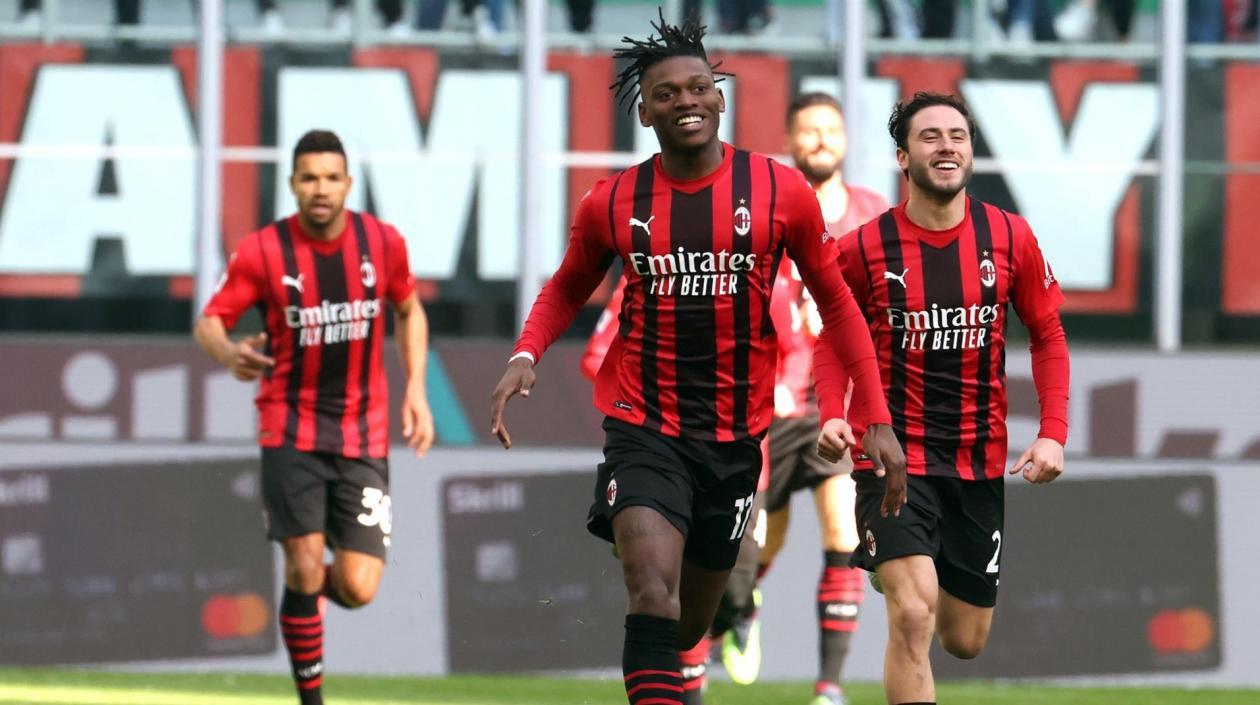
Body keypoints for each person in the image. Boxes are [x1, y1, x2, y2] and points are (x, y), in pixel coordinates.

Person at [489, 11, 904, 705]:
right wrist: (527, 349)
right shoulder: (613, 201)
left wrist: (877, 415)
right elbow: (568, 284)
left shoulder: (779, 192)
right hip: (644, 427)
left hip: (738, 437)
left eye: (697, 87)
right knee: (650, 589)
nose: (685, 100)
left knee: (689, 623)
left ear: (719, 95)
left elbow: (838, 304)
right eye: (666, 93)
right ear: (644, 112)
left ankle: (724, 635)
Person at [812, 91, 1070, 705]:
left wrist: (1053, 430)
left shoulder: (1010, 237)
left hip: (977, 464)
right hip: (891, 457)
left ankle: (902, 570)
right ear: (904, 156)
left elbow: (1048, 333)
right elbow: (831, 341)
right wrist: (830, 414)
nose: (947, 145)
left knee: (963, 638)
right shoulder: (862, 248)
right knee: (913, 614)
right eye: (930, 136)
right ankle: (897, 566)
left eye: (958, 135)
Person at [194, 129, 434, 705]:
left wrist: (417, 390)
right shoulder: (262, 253)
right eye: (309, 178)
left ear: (348, 184)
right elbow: (210, 321)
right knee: (303, 564)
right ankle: (312, 700)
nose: (320, 189)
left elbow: (409, 309)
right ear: (293, 185)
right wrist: (228, 352)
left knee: (356, 587)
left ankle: (305, 599)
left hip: (364, 429)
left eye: (331, 177)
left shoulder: (383, 244)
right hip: (289, 426)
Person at [720, 92, 892, 705]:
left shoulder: (873, 213)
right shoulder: (770, 207)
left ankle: (828, 688)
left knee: (843, 530)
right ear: (791, 140)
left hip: (837, 403)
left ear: (845, 140)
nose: (820, 139)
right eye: (808, 130)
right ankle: (743, 604)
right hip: (773, 403)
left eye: (830, 129)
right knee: (765, 538)